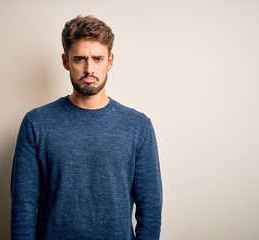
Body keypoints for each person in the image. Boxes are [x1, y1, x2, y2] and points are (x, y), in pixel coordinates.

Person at [11, 15, 162, 240]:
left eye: (98, 59)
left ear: (110, 61)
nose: (89, 69)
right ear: (65, 61)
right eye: (80, 59)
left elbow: (150, 208)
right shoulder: (36, 124)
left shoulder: (138, 127)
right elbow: (23, 207)